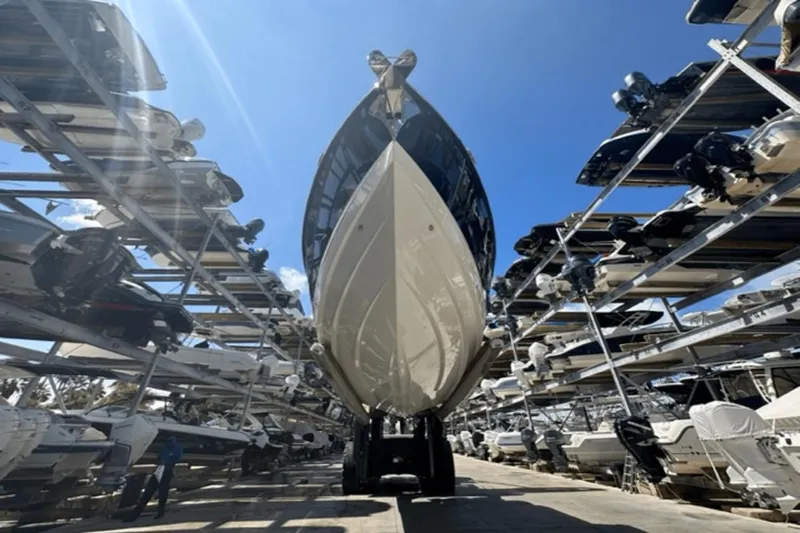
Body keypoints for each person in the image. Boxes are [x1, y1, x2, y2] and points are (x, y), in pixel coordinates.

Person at [124, 436, 183, 521]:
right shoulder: (169, 446)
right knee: (152, 491)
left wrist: (166, 461)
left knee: (158, 492)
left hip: (166, 469)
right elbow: (167, 456)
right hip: (160, 469)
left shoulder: (174, 446)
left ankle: (153, 512)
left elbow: (175, 458)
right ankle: (139, 513)